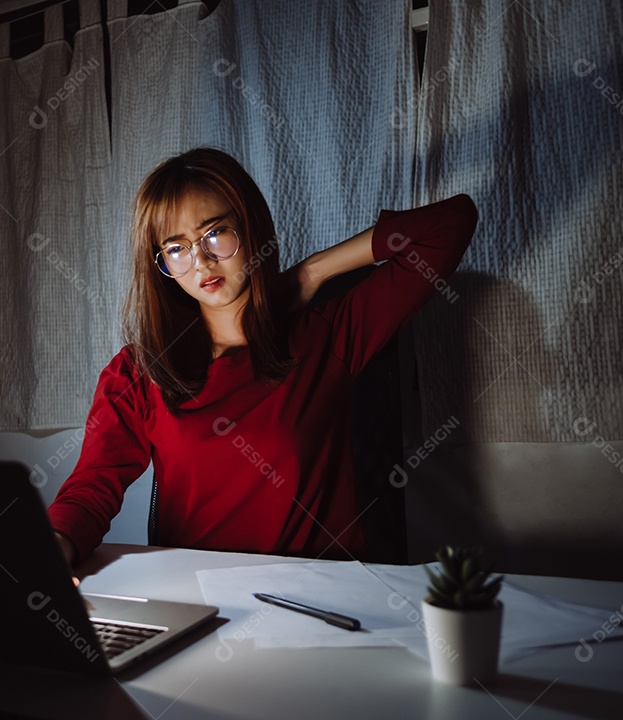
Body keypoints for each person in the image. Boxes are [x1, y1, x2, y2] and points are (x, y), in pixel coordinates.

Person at [48, 148, 477, 567]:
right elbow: (91, 488)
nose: (200, 261)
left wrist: (311, 272)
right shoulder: (138, 372)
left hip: (321, 603)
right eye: (176, 248)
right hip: (200, 604)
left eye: (215, 233)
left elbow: (448, 226)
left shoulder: (327, 335)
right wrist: (53, 550)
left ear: (251, 227)